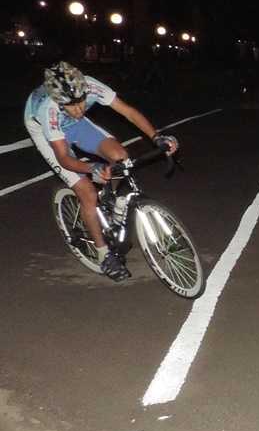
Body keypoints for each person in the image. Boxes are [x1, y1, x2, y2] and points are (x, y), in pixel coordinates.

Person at [24, 61, 179, 281]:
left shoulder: (90, 86)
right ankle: (103, 254)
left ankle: (111, 198)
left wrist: (156, 137)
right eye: (71, 105)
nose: (79, 109)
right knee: (87, 192)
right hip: (46, 132)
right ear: (59, 102)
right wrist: (92, 167)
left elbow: (128, 112)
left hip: (75, 125)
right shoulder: (48, 110)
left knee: (120, 157)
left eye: (81, 100)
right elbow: (64, 158)